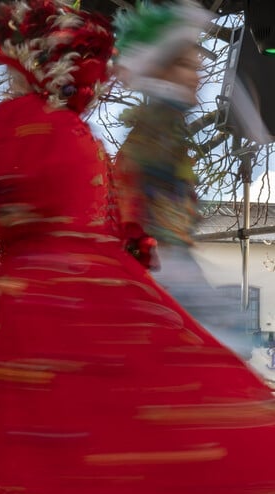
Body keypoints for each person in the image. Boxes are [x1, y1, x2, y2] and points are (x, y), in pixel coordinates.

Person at [0, 2, 275, 494]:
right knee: (120, 441)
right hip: (103, 293)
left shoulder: (25, 120)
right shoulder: (83, 135)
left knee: (66, 453)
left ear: (33, 63)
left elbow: (8, 207)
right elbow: (108, 218)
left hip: (45, 305)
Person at [112, 0, 252, 359]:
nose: (199, 76)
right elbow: (153, 229)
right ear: (162, 72)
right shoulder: (156, 130)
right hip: (162, 278)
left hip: (164, 274)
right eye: (188, 66)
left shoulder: (163, 128)